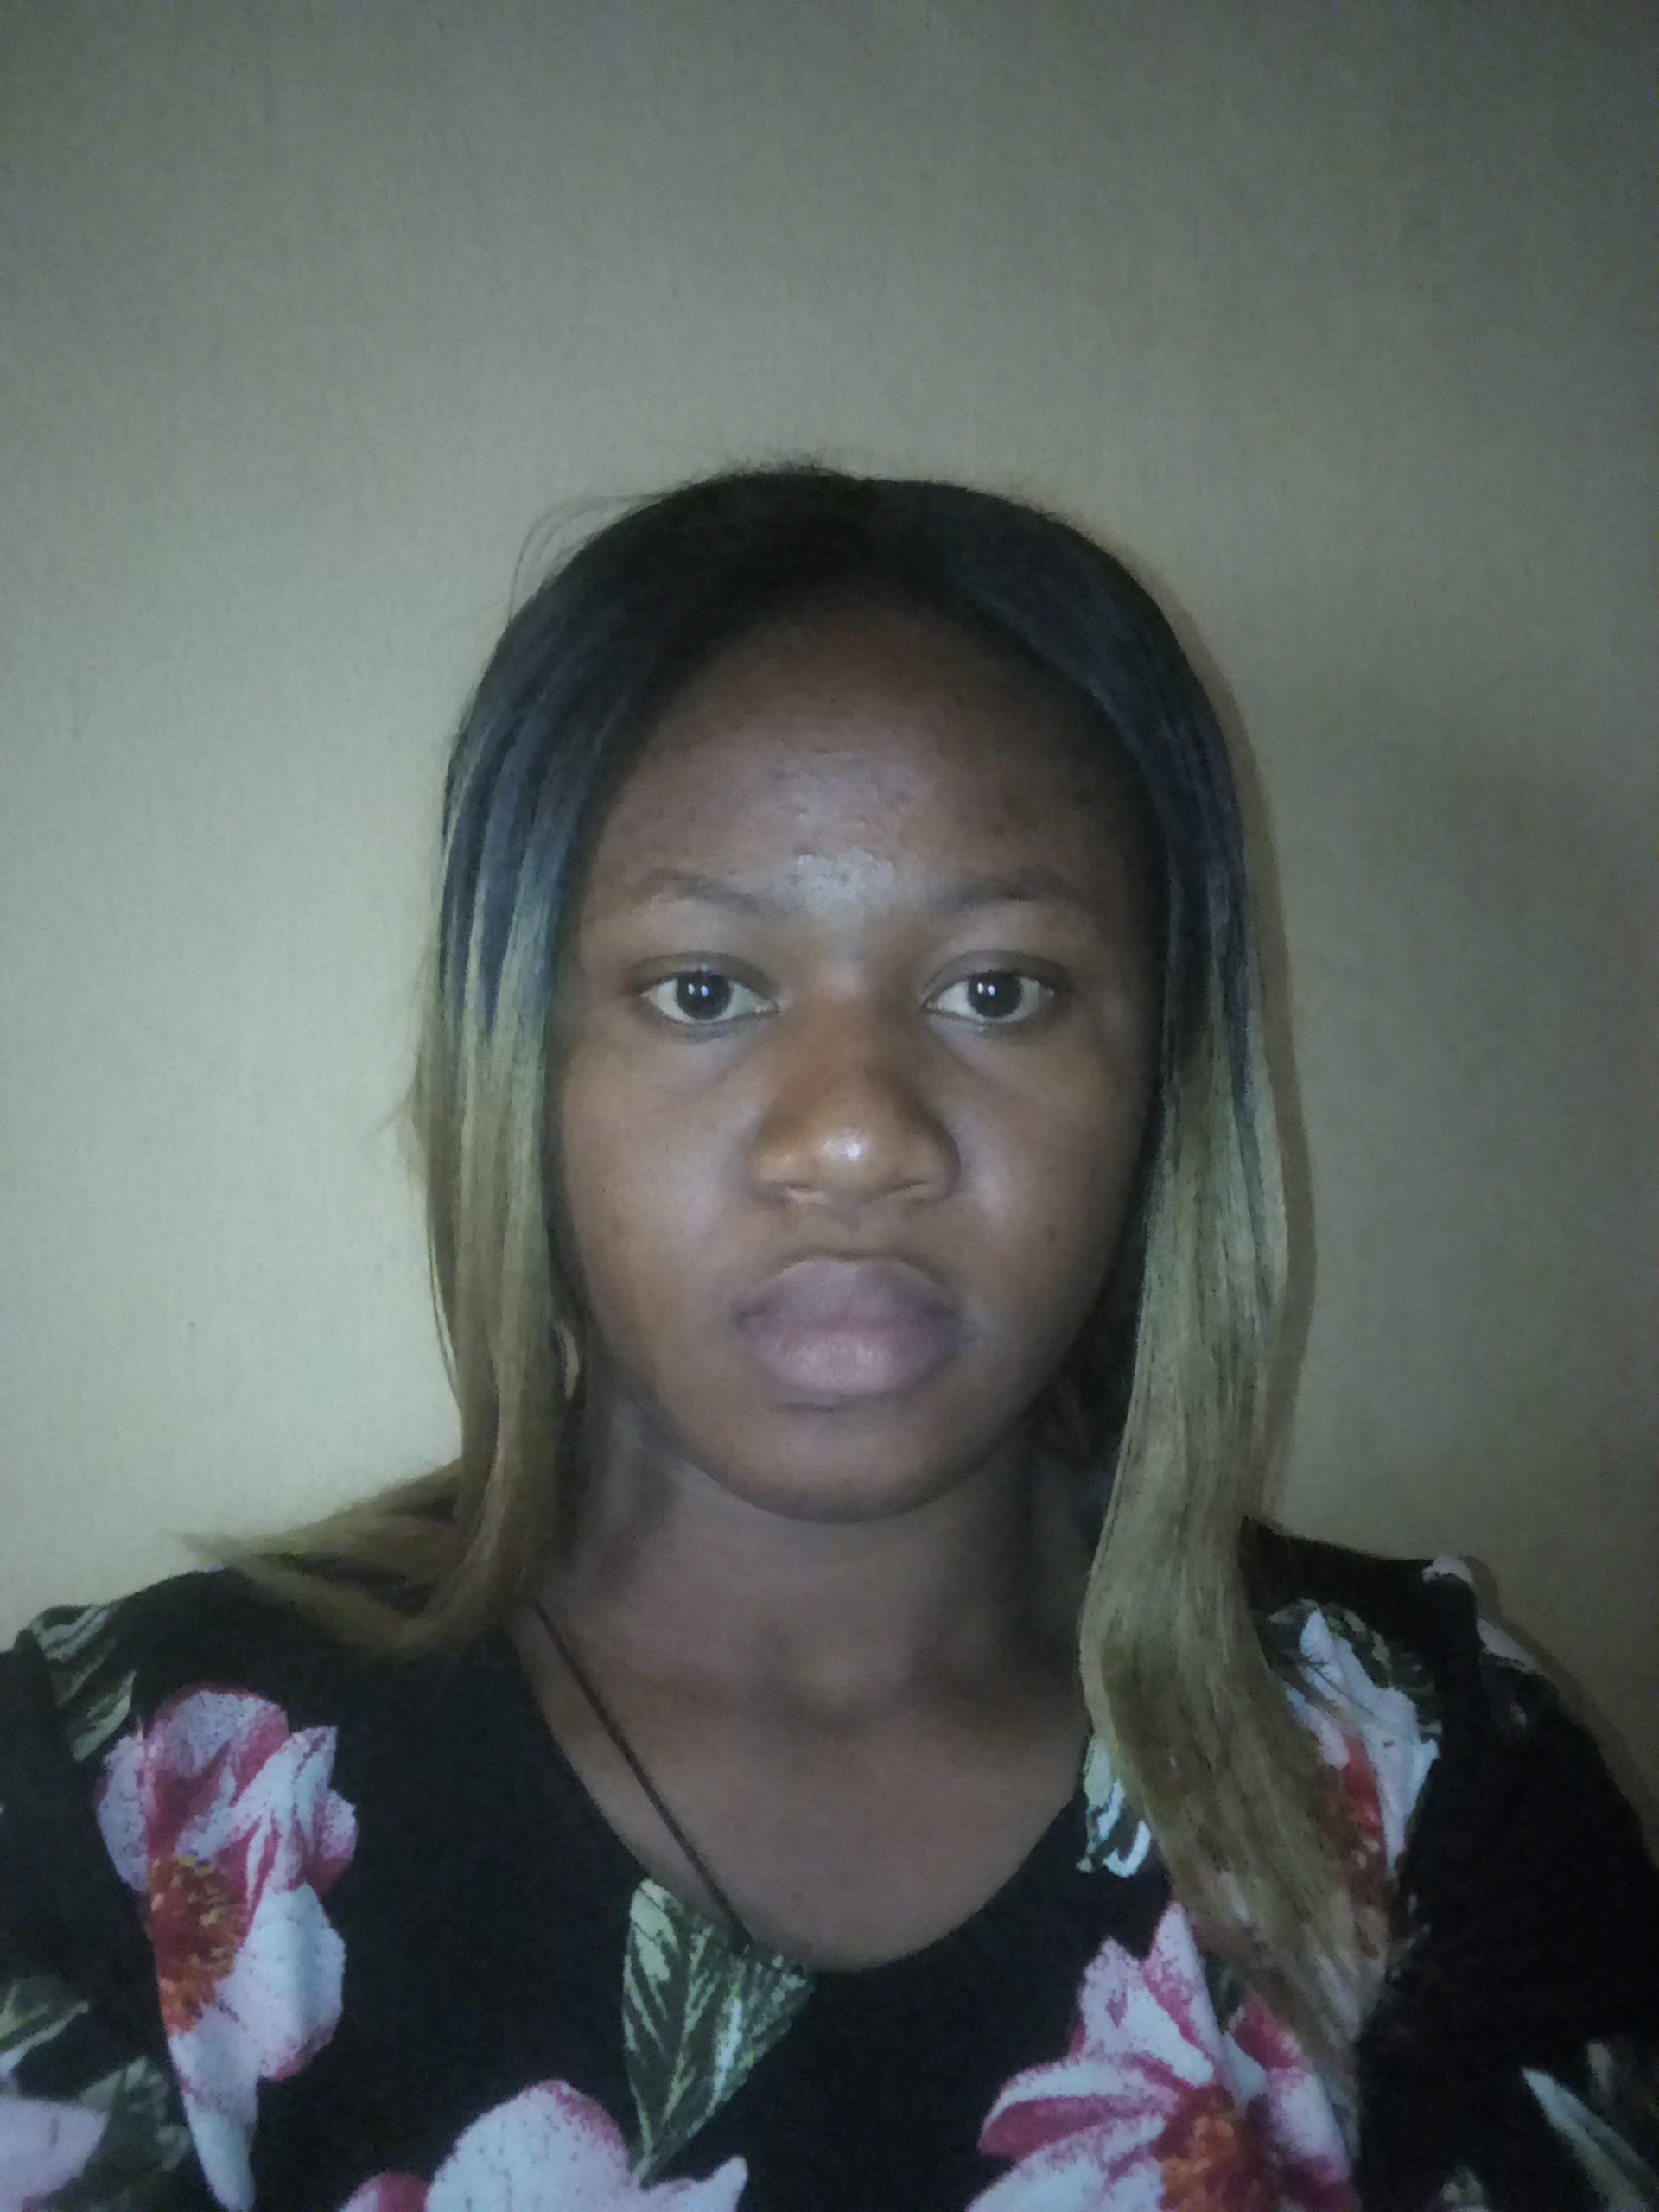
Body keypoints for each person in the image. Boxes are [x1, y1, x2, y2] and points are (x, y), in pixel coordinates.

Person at [0, 467, 1654, 2212]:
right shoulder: (134, 1811)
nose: (857, 1136)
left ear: (1160, 1087)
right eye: (703, 988)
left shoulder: (1430, 1776)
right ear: (525, 1069)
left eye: (998, 988)